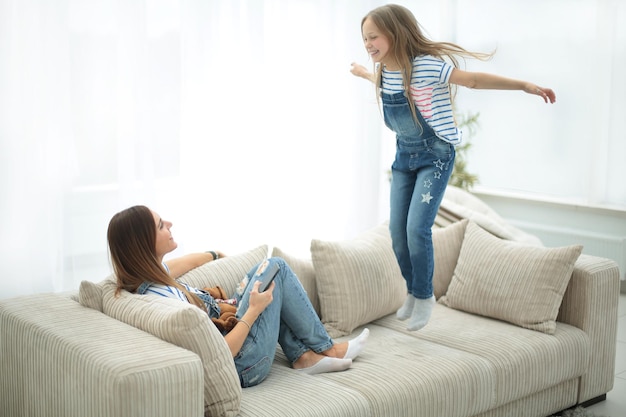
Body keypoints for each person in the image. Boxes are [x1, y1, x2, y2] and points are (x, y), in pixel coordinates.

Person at [350, 4, 556, 332]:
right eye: (364, 38)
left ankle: (424, 295)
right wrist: (363, 72)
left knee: (417, 229)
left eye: (373, 36)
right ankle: (413, 292)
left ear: (394, 33)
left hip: (436, 156)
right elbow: (381, 79)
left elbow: (473, 80)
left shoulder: (428, 66)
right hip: (404, 158)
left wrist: (525, 86)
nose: (367, 43)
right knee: (396, 234)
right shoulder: (386, 71)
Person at [107, 205, 369, 387]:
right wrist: (253, 310)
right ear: (143, 242)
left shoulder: (149, 278)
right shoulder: (163, 300)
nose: (170, 224)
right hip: (244, 364)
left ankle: (304, 357)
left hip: (233, 338)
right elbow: (221, 351)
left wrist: (215, 254)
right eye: (161, 224)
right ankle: (329, 348)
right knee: (276, 268)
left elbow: (186, 263)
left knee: (263, 273)